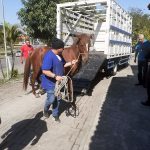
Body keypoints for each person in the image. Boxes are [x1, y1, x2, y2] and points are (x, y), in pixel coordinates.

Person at [41, 37, 77, 121]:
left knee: (58, 99)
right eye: (62, 48)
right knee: (51, 99)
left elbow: (63, 64)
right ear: (58, 48)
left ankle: (55, 114)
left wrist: (71, 62)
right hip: (50, 83)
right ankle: (45, 110)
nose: (63, 49)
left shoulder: (59, 55)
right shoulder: (49, 56)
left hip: (59, 82)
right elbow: (45, 70)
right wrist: (55, 76)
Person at [140, 40, 150, 106]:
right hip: (143, 60)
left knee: (149, 82)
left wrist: (147, 57)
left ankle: (149, 102)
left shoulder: (147, 43)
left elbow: (148, 55)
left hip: (145, 61)